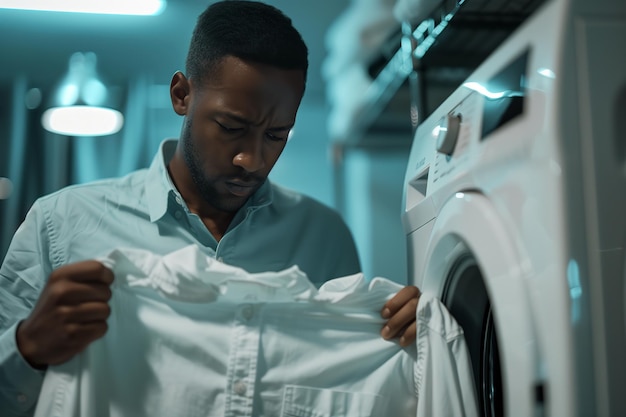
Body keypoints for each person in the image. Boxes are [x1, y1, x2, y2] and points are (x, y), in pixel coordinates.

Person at [0, 1, 421, 415]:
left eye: (276, 135)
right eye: (231, 128)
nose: (251, 160)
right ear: (182, 95)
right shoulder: (60, 225)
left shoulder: (324, 238)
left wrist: (408, 336)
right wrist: (29, 348)